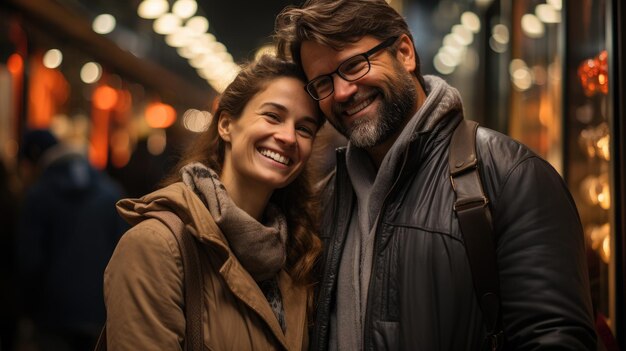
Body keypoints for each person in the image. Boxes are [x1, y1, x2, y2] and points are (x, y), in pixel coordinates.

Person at [274, 0, 597, 350]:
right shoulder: (327, 199)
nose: (341, 92)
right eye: (322, 82)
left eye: (354, 65)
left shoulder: (510, 176)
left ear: (405, 53)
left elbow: (554, 338)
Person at [103, 55, 325, 350]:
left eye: (304, 129)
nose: (288, 137)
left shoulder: (299, 253)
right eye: (272, 116)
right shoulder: (156, 246)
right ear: (226, 124)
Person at [15, 129, 126, 351]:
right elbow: (123, 258)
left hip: (51, 317)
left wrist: (26, 311)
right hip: (100, 314)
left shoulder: (38, 195)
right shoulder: (112, 194)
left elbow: (29, 260)